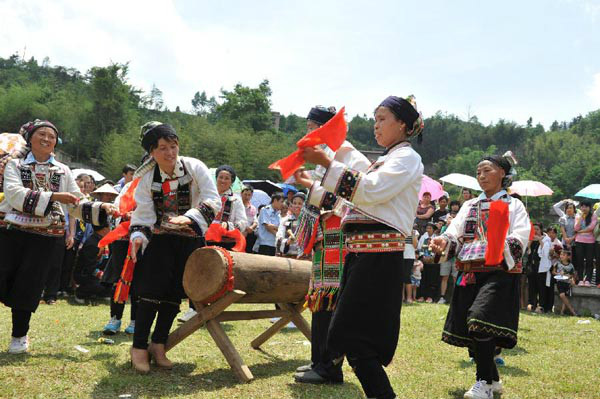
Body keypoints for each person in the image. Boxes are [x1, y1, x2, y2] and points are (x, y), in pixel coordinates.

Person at [299, 95, 424, 399]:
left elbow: (370, 190)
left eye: (382, 119)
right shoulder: (386, 160)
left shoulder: (406, 158)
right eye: (374, 119)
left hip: (379, 257)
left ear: (404, 125)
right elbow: (352, 201)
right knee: (350, 338)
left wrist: (328, 162)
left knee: (349, 336)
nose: (375, 125)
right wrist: (309, 184)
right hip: (362, 254)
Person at [0, 119, 116, 354]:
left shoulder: (62, 170)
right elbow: (14, 195)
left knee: (28, 285)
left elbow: (75, 202)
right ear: (30, 138)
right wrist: (54, 198)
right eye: (41, 134)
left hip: (46, 236)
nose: (46, 139)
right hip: (11, 231)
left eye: (51, 136)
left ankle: (19, 336)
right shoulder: (15, 165)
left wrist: (99, 209)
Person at [431, 152, 530, 399]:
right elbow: (454, 233)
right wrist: (443, 242)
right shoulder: (469, 205)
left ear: (503, 174)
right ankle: (493, 378)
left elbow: (520, 237)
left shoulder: (514, 205)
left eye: (487, 170)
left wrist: (499, 246)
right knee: (473, 328)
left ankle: (483, 382)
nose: (481, 175)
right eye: (478, 172)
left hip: (499, 273)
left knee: (479, 319)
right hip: (470, 273)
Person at [128, 121, 221, 373]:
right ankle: (138, 347)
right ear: (152, 153)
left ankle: (158, 344)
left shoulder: (194, 167)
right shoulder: (147, 179)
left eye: (173, 145)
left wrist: (190, 217)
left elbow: (213, 199)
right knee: (150, 293)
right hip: (159, 241)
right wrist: (138, 236)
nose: (170, 152)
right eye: (162, 148)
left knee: (173, 294)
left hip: (190, 239)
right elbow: (144, 213)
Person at [293, 105, 370, 385]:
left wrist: (317, 194)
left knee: (332, 300)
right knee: (321, 299)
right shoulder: (325, 157)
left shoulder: (351, 157)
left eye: (313, 127)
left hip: (342, 236)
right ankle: (319, 361)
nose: (308, 132)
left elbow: (359, 197)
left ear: (327, 129)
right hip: (325, 236)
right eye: (309, 126)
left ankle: (331, 367)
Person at [73, 223, 112, 302]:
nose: (110, 229)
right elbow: (89, 266)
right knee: (98, 284)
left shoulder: (105, 240)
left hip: (98, 271)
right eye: (109, 227)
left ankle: (102, 293)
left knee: (112, 281)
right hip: (85, 273)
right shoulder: (92, 243)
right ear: (104, 230)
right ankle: (80, 293)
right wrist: (102, 275)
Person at [573, 200, 597, 286]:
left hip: (590, 241)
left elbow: (591, 227)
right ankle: (580, 279)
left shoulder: (593, 216)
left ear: (589, 208)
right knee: (580, 261)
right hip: (579, 241)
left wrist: (580, 231)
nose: (584, 208)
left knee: (589, 261)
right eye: (582, 206)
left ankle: (588, 280)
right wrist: (580, 218)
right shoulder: (578, 216)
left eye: (586, 206)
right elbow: (576, 228)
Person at [276, 192, 305, 257]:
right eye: (294, 203)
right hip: (287, 256)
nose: (296, 206)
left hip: (304, 258)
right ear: (291, 205)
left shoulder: (308, 221)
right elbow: (279, 237)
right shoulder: (286, 220)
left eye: (300, 203)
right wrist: (287, 242)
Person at [417, 222, 440, 302]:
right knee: (423, 278)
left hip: (433, 261)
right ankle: (421, 295)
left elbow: (438, 249)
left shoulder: (437, 238)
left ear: (433, 230)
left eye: (430, 228)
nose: (428, 230)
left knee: (432, 278)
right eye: (427, 228)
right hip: (423, 260)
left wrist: (432, 257)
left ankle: (430, 296)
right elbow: (419, 248)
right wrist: (423, 256)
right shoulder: (423, 237)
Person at [552, 250, 577, 316]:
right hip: (560, 282)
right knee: (562, 295)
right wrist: (558, 273)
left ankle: (562, 312)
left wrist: (570, 277)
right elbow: (553, 272)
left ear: (568, 257)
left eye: (563, 255)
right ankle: (572, 311)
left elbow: (573, 274)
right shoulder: (557, 263)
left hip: (567, 283)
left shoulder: (571, 265)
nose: (561, 256)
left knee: (565, 296)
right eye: (561, 255)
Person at [526, 223, 543, 312]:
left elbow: (544, 251)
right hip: (531, 266)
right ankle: (531, 303)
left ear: (541, 230)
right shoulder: (530, 240)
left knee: (540, 286)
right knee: (531, 286)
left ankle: (540, 305)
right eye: (534, 229)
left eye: (537, 229)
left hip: (540, 266)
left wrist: (539, 240)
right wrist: (531, 240)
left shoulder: (544, 239)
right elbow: (527, 250)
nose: (535, 231)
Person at [241, 186, 258, 253]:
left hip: (248, 234)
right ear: (241, 194)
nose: (247, 197)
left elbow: (255, 221)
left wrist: (251, 228)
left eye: (249, 195)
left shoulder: (253, 208)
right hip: (238, 232)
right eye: (245, 194)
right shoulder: (237, 205)